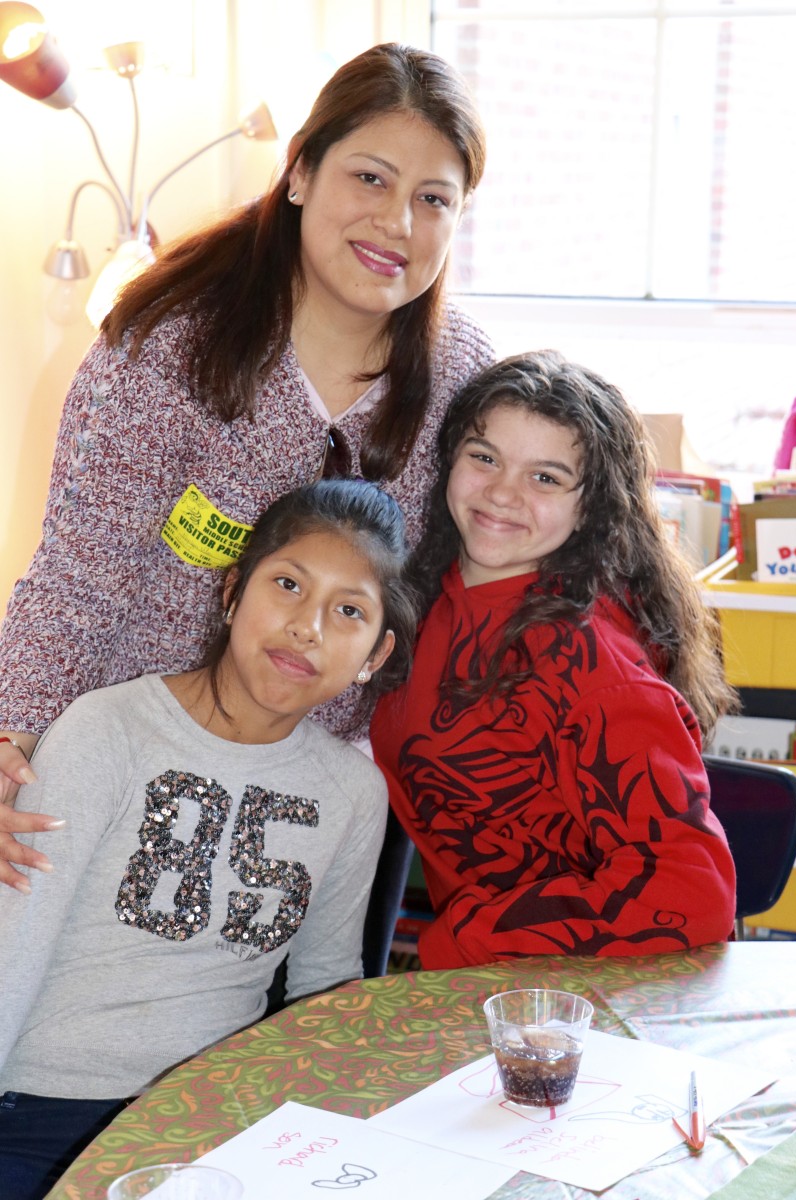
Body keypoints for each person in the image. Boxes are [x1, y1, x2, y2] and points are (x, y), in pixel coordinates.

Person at [0, 41, 493, 891]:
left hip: (305, 807)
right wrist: (13, 736)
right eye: (369, 179)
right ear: (300, 172)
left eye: (433, 200)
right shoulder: (168, 343)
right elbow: (80, 574)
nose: (397, 224)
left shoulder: (462, 384)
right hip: (123, 778)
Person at [0, 478, 417, 1200]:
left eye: (347, 610)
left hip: (224, 1118)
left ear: (374, 655)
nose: (308, 626)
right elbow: (15, 946)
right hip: (45, 1113)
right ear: (232, 594)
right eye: (287, 584)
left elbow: (324, 990)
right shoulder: (108, 731)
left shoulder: (352, 792)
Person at [371, 351, 738, 968]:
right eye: (483, 458)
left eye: (546, 478)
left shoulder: (596, 670)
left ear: (590, 505)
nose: (501, 493)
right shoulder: (434, 587)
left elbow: (693, 887)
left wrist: (467, 942)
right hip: (476, 978)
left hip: (559, 1001)